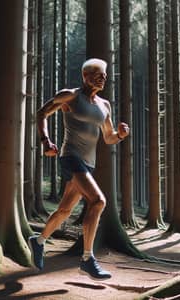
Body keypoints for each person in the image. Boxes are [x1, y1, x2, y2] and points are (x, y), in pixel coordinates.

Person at [28, 58, 130, 280]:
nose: (103, 77)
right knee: (98, 201)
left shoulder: (104, 106)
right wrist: (45, 141)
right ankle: (87, 259)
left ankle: (38, 241)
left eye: (104, 74)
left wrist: (121, 135)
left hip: (88, 164)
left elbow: (109, 137)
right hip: (71, 158)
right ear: (85, 76)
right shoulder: (70, 96)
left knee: (65, 210)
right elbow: (41, 113)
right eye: (97, 74)